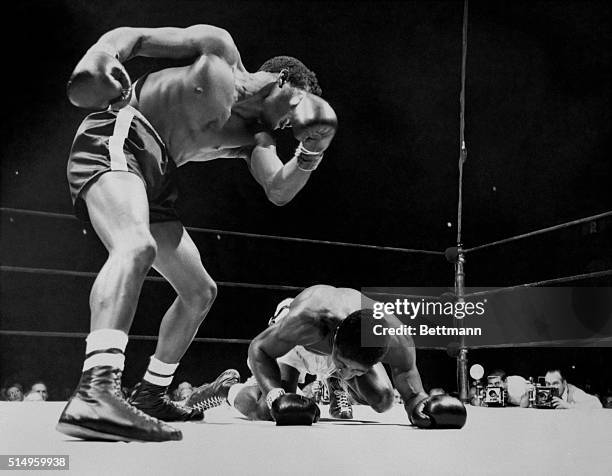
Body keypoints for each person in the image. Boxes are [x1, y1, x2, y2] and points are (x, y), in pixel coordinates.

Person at [57, 24, 338, 443]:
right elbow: (134, 38)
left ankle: (151, 393)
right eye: (296, 106)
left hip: (158, 179)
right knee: (135, 247)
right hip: (124, 135)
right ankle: (96, 389)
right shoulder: (219, 50)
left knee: (199, 291)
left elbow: (279, 189)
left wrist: (311, 150)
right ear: (282, 81)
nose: (289, 124)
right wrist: (102, 54)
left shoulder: (254, 138)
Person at [225, 285, 467, 428]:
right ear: (335, 342)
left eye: (357, 371)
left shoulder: (396, 337)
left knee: (383, 400)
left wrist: (420, 406)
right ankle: (226, 390)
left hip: (344, 345)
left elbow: (409, 382)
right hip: (297, 344)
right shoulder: (307, 320)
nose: (348, 373)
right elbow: (259, 347)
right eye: (342, 365)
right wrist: (276, 396)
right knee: (272, 411)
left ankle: (334, 381)